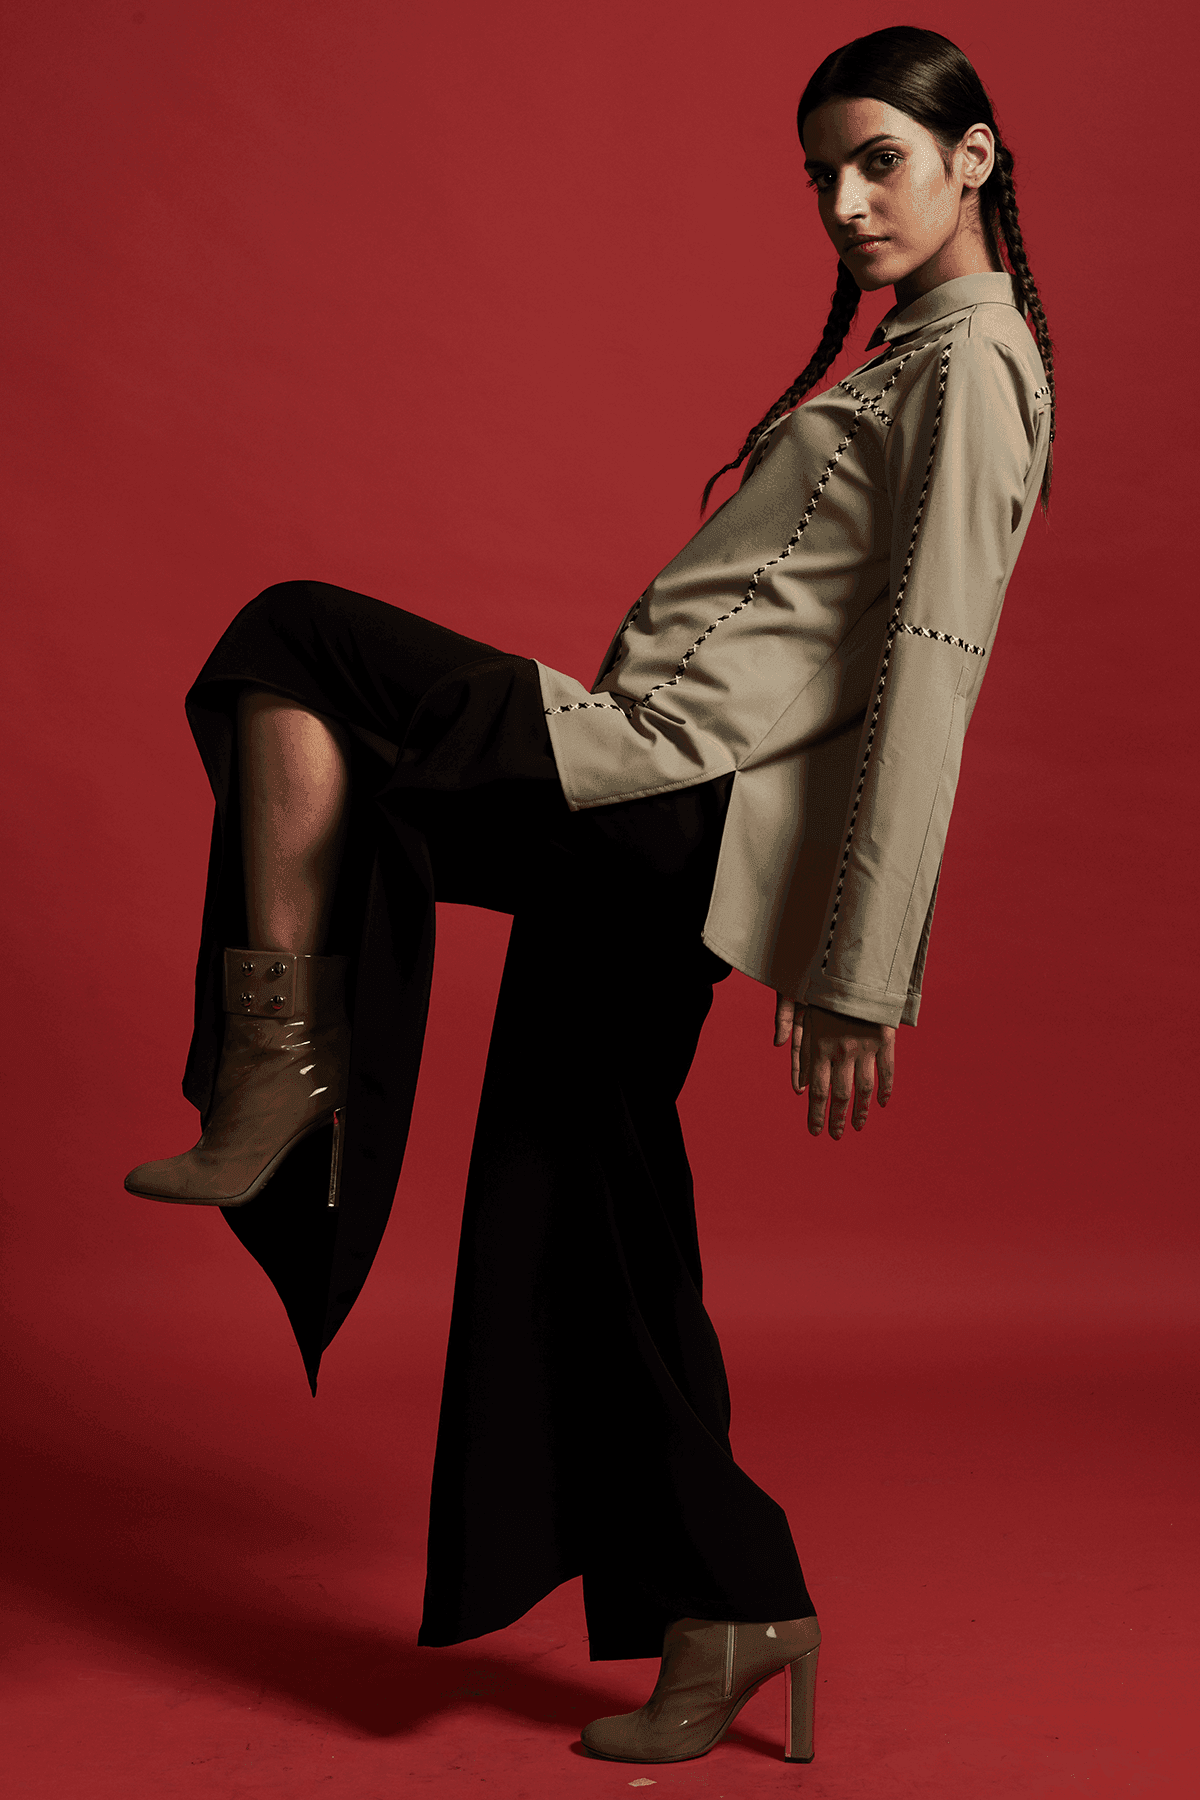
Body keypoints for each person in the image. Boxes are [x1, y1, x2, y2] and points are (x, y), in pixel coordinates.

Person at [124, 24, 1054, 1769]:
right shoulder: (918, 353)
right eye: (823, 176)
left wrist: (861, 968)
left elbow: (930, 668)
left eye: (881, 162)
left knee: (293, 639)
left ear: (975, 160)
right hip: (665, 801)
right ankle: (730, 1599)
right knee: (580, 1195)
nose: (847, 205)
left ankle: (278, 1065)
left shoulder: (979, 367)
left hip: (661, 799)